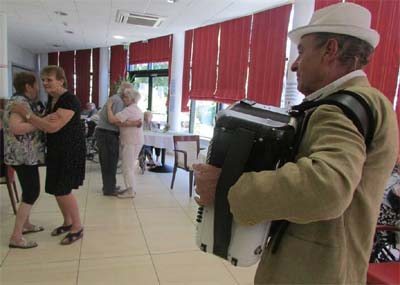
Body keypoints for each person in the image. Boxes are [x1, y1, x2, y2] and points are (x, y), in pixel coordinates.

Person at [193, 3, 398, 284]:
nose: (294, 64)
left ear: (331, 50)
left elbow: (328, 187)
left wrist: (226, 186)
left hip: (311, 272)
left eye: (302, 51)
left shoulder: (339, 109)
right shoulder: (375, 103)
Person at [12, 65, 86, 246]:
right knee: (56, 189)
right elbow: (46, 123)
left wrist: (27, 115)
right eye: (43, 80)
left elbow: (52, 126)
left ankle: (77, 227)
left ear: (61, 80)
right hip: (55, 150)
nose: (45, 83)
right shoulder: (52, 100)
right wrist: (42, 120)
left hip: (69, 151)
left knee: (63, 190)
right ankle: (67, 222)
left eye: (49, 80)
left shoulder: (69, 100)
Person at [3, 72, 45, 249]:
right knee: (32, 192)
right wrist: (40, 122)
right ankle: (16, 236)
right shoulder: (20, 103)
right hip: (23, 156)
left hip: (19, 155)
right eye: (36, 84)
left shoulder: (16, 101)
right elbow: (16, 127)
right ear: (28, 86)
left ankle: (25, 225)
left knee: (28, 190)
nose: (38, 88)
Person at [95, 81, 141, 196]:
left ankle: (110, 187)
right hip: (107, 134)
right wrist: (134, 122)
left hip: (111, 135)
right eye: (127, 92)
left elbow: (119, 120)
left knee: (111, 162)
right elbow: (115, 121)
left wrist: (134, 122)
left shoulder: (119, 101)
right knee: (109, 162)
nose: (127, 95)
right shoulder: (119, 101)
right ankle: (109, 189)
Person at [107, 88, 143, 199]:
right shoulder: (134, 109)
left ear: (132, 99)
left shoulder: (130, 110)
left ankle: (130, 191)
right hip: (133, 141)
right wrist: (129, 123)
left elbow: (112, 120)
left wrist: (109, 107)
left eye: (126, 97)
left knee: (127, 167)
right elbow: (120, 123)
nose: (123, 99)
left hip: (131, 142)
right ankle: (129, 188)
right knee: (128, 167)